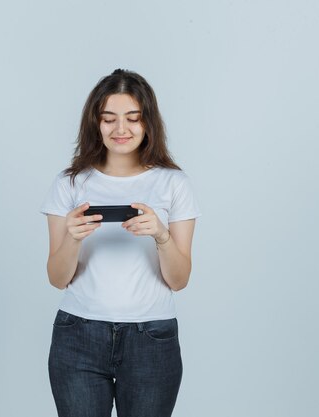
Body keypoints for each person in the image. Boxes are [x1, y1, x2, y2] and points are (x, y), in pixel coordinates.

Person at [40, 69, 202, 417]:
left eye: (133, 118)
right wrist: (72, 236)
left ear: (148, 123)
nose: (121, 129)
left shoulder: (174, 184)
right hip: (78, 334)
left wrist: (161, 235)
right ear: (95, 124)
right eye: (108, 119)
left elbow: (179, 279)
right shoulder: (69, 184)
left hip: (152, 339)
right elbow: (56, 278)